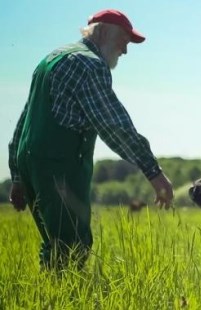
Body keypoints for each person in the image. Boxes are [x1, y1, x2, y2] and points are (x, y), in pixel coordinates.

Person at [7, 9, 174, 270]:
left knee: (56, 243)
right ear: (105, 32)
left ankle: (48, 295)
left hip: (32, 164)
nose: (125, 51)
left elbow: (24, 121)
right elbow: (114, 126)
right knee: (74, 246)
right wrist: (154, 172)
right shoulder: (89, 64)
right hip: (59, 168)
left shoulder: (50, 59)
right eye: (124, 41)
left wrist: (18, 176)